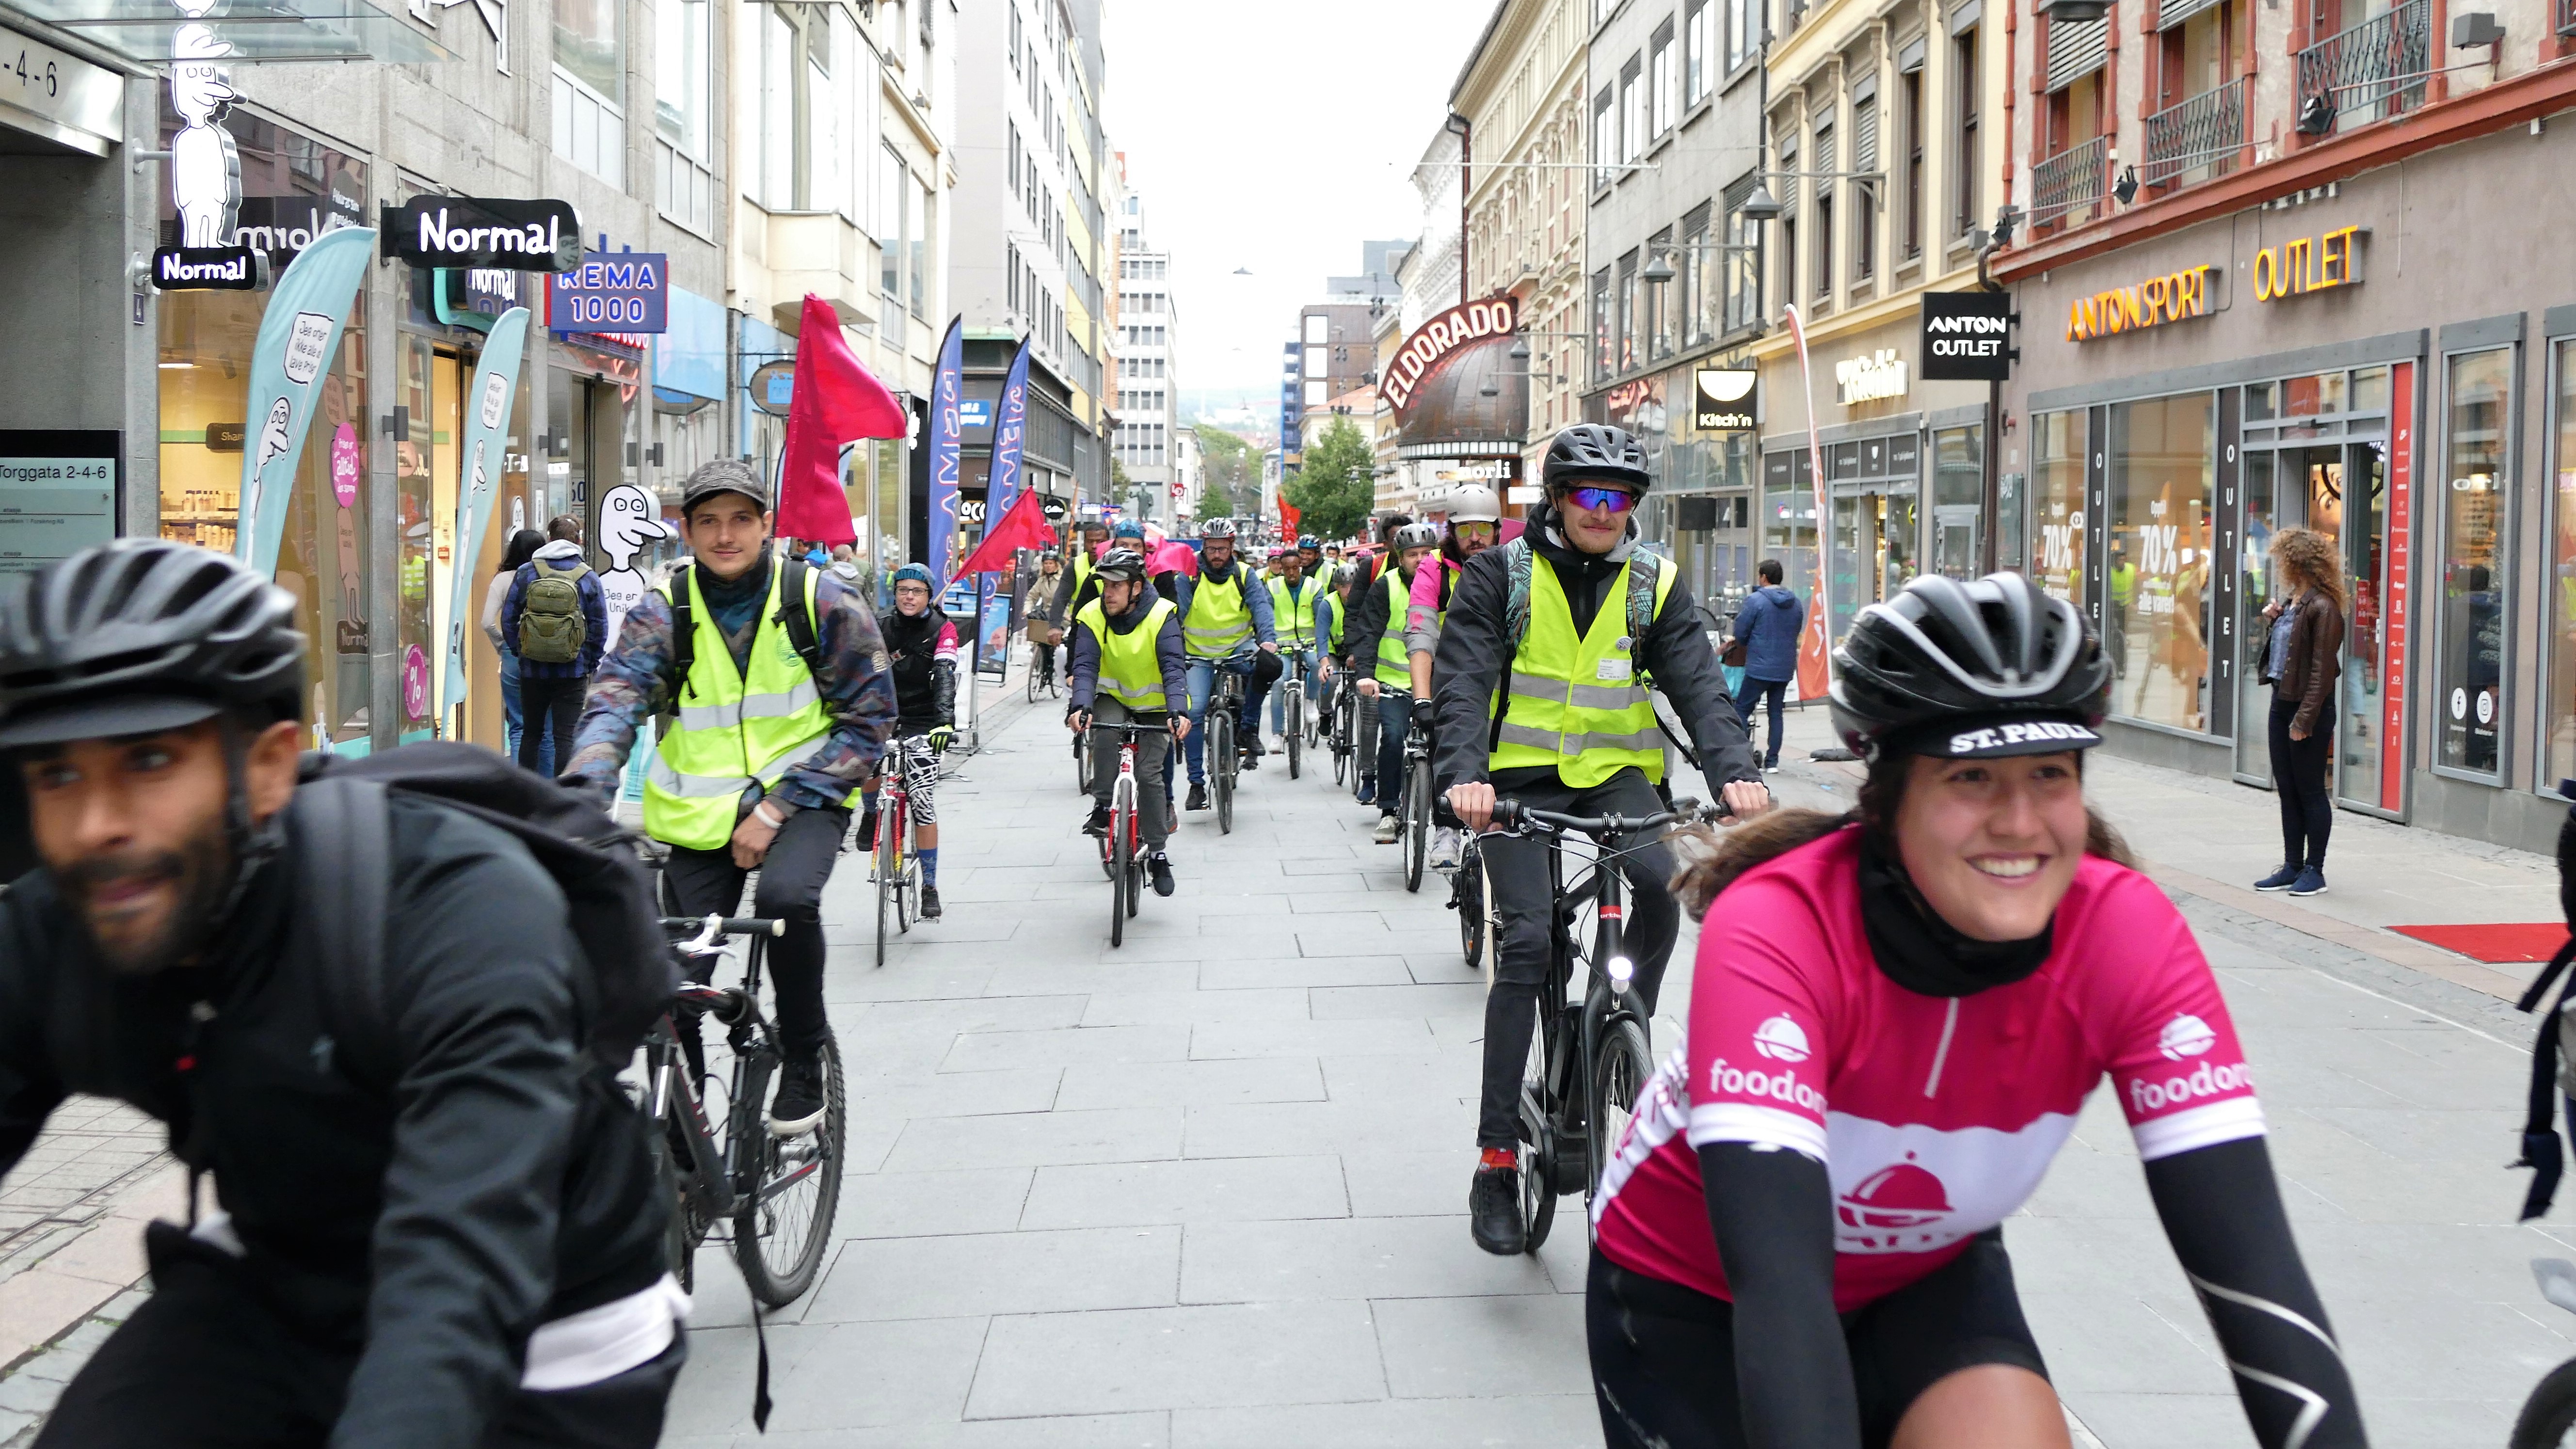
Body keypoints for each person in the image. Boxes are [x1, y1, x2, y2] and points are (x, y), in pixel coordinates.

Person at [1584, 570, 2366, 1449]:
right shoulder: (1779, 923)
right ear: (1885, 800)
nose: (2019, 819)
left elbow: (2257, 1278)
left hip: (1921, 1275)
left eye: (2048, 772)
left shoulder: (2123, 931)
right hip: (1699, 1291)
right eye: (1970, 777)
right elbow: (1780, 1288)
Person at [0, 540, 686, 1446]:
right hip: (284, 1272)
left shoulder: (452, 910)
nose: (97, 825)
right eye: (58, 774)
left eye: (151, 761)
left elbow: (457, 1273)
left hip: (543, 1313)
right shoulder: (63, 924)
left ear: (272, 765)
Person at [1437, 423, 1769, 1255]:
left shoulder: (1651, 581)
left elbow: (1697, 683)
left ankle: (1613, 1040)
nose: (1602, 510)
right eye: (1587, 494)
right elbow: (1466, 678)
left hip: (1615, 777)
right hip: (1510, 782)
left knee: (1661, 886)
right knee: (1524, 940)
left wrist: (1735, 771)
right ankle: (1494, 1156)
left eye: (1618, 497)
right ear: (1555, 498)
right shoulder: (1497, 574)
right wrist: (1463, 774)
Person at [563, 460, 897, 1134]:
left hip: (804, 798)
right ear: (684, 529)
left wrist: (777, 808)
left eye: (740, 519)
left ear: (766, 524)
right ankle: (686, 1133)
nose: (724, 535)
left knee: (783, 903)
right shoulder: (667, 609)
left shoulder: (820, 599)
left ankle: (804, 1054)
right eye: (708, 521)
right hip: (696, 813)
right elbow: (616, 699)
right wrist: (580, 801)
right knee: (675, 984)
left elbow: (871, 718)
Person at [1067, 548, 1190, 896]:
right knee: (1104, 735)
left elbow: (1172, 665)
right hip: (1112, 697)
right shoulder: (1092, 614)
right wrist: (1080, 707)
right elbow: (1086, 665)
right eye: (1105, 584)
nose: (1108, 592)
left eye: (1116, 586)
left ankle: (1158, 852)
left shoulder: (1162, 614)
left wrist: (1178, 711)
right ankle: (1105, 806)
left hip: (1155, 705)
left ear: (1137, 588)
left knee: (1150, 773)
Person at [1408, 485, 1503, 870]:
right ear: (1451, 531)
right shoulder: (1434, 567)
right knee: (1444, 741)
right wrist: (1422, 698)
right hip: (1449, 675)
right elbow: (1421, 632)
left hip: (1502, 676)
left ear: (1497, 529)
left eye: (1483, 528)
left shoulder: (1513, 563)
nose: (1475, 537)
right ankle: (1445, 827)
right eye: (1464, 530)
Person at [863, 563, 959, 921]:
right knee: (865, 761)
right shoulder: (881, 625)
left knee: (921, 799)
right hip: (884, 712)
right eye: (903, 590)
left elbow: (945, 676)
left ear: (928, 595)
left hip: (924, 718)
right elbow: (867, 672)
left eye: (917, 591)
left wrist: (944, 722)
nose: (909, 596)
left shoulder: (942, 629)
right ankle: (871, 813)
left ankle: (929, 886)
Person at [2255, 527, 2347, 897]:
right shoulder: (2295, 602)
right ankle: (2292, 864)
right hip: (2281, 700)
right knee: (2287, 788)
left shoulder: (2324, 606)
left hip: (2309, 708)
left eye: (2283, 560)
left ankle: (2315, 870)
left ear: (2298, 562)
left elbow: (2322, 671)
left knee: (2310, 789)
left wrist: (2304, 720)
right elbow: (2288, 655)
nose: (2280, 568)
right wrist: (2274, 620)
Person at [1172, 517, 1278, 806]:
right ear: (1203, 548)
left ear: (1232, 547)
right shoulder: (1189, 575)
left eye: (1222, 549)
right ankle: (1196, 783)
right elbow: (1177, 613)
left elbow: (1261, 608)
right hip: (1199, 654)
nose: (1216, 555)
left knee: (1270, 666)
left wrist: (1267, 639)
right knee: (1193, 715)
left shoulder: (1245, 575)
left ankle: (1248, 728)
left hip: (1237, 649)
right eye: (1211, 549)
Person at [1347, 522, 1440, 843]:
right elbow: (1368, 632)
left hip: (1435, 685)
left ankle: (1445, 816)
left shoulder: (1449, 584)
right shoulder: (1385, 586)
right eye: (1412, 554)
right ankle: (1388, 811)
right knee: (1391, 740)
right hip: (1392, 684)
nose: (1419, 559)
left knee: (1446, 746)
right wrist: (1365, 675)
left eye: (1426, 553)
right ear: (1400, 558)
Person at [502, 514, 608, 779]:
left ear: (549, 537)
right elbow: (599, 627)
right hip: (572, 673)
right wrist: (589, 663)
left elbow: (508, 618)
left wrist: (522, 651)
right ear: (579, 540)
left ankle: (526, 795)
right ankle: (563, 798)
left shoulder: (527, 572)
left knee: (531, 732)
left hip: (532, 671)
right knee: (566, 736)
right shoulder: (588, 577)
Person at [1728, 558, 1803, 772]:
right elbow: (1795, 630)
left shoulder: (1755, 601)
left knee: (1742, 708)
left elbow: (1741, 633)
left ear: (1764, 577)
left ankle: (1741, 757)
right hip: (1784, 666)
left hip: (1759, 666)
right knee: (1776, 712)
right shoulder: (1795, 602)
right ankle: (1772, 762)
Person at [481, 527, 546, 765]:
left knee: (519, 725)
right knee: (546, 729)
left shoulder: (503, 579)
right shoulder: (548, 576)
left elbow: (487, 622)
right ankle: (547, 788)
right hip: (546, 655)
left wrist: (504, 646)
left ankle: (521, 786)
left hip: (513, 655)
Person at [1265, 547, 1327, 740]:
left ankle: (1310, 701)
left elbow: (1321, 619)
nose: (1291, 573)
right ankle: (1276, 734)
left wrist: (1320, 644)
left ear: (1301, 567)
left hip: (1308, 644)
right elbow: (1266, 616)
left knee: (1317, 665)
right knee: (1277, 682)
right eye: (1287, 569)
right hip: (1282, 646)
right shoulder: (1272, 587)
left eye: (1295, 568)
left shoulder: (1314, 587)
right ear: (1281, 569)